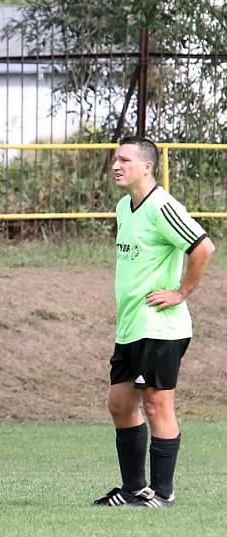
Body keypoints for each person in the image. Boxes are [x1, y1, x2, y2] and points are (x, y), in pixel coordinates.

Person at [94, 137, 215, 508]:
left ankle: (163, 494)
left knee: (156, 404)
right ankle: (133, 490)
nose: (116, 165)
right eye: (116, 159)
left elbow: (203, 247)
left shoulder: (162, 206)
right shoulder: (123, 208)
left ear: (147, 166)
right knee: (119, 403)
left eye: (125, 160)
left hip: (161, 327)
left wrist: (180, 292)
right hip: (131, 326)